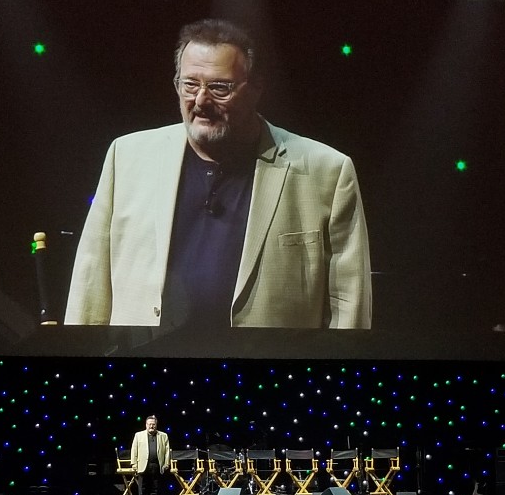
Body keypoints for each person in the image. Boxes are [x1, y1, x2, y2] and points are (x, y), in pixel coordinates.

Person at [64, 18, 372, 331]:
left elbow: (349, 304)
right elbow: (91, 281)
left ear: (255, 89)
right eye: (190, 85)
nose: (200, 101)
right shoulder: (127, 156)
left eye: (219, 88)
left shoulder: (327, 171)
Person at [130, 415, 171, 495]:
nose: (151, 426)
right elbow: (134, 449)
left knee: (155, 492)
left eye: (153, 424)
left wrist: (166, 463)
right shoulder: (138, 435)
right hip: (143, 467)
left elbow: (167, 451)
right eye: (149, 424)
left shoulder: (163, 436)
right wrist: (134, 464)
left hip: (157, 467)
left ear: (156, 425)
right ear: (146, 425)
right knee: (142, 493)